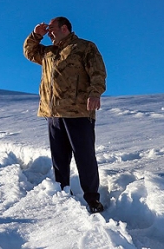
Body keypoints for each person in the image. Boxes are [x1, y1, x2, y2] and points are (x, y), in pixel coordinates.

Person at [23, 16, 107, 214]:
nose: (49, 32)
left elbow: (98, 72)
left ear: (65, 28)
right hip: (54, 114)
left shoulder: (84, 47)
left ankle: (92, 199)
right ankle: (62, 195)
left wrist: (95, 93)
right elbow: (29, 52)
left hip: (78, 111)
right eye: (48, 30)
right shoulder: (48, 52)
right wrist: (36, 35)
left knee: (84, 157)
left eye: (52, 29)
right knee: (59, 159)